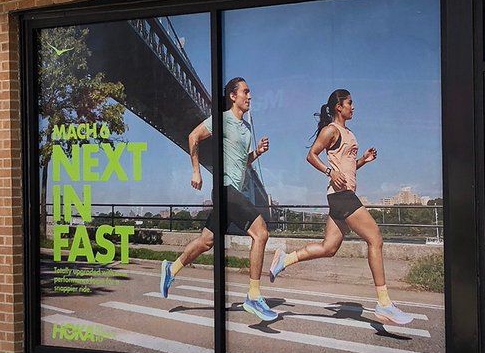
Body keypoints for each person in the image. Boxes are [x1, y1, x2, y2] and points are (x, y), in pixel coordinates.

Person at [267, 89, 415, 326]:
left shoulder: (348, 134)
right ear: (339, 107)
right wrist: (329, 171)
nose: (353, 107)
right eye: (350, 103)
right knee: (375, 239)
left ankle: (285, 259)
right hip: (342, 196)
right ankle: (384, 303)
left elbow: (347, 168)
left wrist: (362, 161)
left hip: (341, 195)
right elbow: (311, 155)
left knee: (329, 247)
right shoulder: (331, 131)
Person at [160, 78, 278, 322]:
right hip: (224, 190)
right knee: (261, 233)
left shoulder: (245, 130)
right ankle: (254, 296)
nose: (250, 96)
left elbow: (241, 163)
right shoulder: (221, 120)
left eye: (250, 92)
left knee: (206, 242)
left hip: (234, 191)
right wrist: (196, 170)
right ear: (233, 96)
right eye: (246, 91)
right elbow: (193, 136)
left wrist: (256, 153)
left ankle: (171, 269)